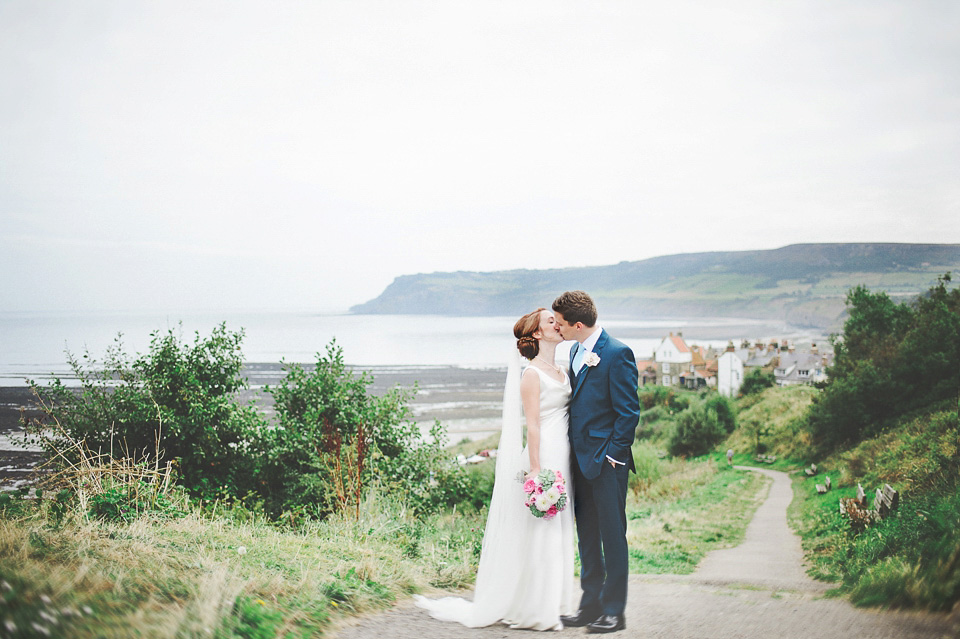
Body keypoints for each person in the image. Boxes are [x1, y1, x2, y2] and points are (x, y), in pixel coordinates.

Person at [414, 308, 577, 630]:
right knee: (541, 530)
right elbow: (532, 426)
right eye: (550, 322)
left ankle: (552, 603)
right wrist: (535, 471)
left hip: (564, 454)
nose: (558, 325)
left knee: (555, 532)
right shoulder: (531, 374)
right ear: (537, 334)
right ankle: (535, 610)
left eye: (557, 321)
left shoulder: (561, 369)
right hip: (544, 457)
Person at [553, 291, 640, 634]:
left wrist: (614, 457)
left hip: (607, 464)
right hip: (578, 461)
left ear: (577, 324)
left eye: (560, 324)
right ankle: (589, 607)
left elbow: (628, 413)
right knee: (587, 536)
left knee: (612, 537)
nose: (557, 329)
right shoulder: (575, 350)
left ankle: (614, 613)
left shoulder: (617, 353)